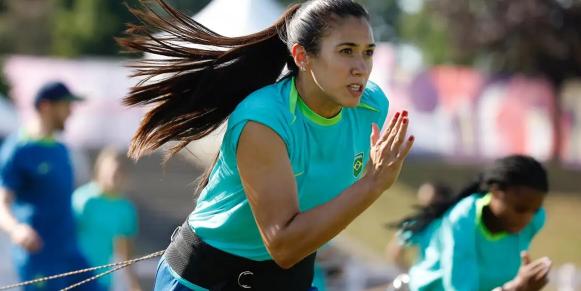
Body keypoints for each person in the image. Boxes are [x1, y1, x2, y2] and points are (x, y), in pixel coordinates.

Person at [120, 0, 414, 290]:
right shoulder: (265, 119)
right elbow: (283, 244)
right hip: (203, 284)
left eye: (368, 52)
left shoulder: (372, 106)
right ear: (301, 56)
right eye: (346, 51)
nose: (361, 67)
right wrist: (372, 185)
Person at [394, 155, 551, 291]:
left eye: (535, 210)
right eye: (520, 209)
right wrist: (515, 287)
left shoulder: (536, 219)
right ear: (495, 192)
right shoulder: (461, 221)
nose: (527, 218)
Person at [0, 81, 102, 290]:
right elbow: (2, 204)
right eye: (66, 106)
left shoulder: (62, 149)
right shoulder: (18, 149)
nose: (71, 113)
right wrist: (16, 229)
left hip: (70, 252)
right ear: (46, 106)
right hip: (39, 257)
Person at [72, 147, 141, 291]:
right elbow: (65, 238)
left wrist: (134, 285)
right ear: (100, 169)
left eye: (120, 171)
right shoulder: (83, 200)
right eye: (111, 170)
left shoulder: (125, 208)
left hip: (102, 281)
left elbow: (126, 252)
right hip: (75, 278)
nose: (115, 174)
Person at [386, 182, 453, 272]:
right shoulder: (454, 220)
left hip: (425, 279)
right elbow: (395, 251)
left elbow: (395, 251)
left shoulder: (423, 222)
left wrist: (410, 274)